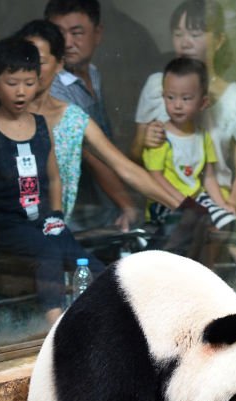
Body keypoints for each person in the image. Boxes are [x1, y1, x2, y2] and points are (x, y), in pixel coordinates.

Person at [0, 37, 101, 318]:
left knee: (83, 259)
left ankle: (113, 310)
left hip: (45, 220)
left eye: (29, 82)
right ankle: (55, 320)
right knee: (48, 252)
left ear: (39, 80)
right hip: (8, 224)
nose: (21, 92)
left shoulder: (41, 125)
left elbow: (54, 176)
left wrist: (57, 214)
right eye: (12, 84)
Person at [13, 19, 184, 223]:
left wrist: (186, 211)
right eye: (24, 59)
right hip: (8, 232)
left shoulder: (73, 118)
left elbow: (125, 168)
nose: (30, 68)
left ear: (59, 63)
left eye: (38, 61)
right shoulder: (2, 114)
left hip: (52, 233)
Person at [132, 0, 236, 215]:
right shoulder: (155, 85)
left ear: (219, 41)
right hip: (168, 198)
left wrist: (230, 206)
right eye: (178, 34)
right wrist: (144, 141)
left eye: (195, 35)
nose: (185, 43)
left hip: (216, 199)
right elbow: (134, 155)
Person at [44, 0, 141, 230]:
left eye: (77, 33)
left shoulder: (94, 73)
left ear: (97, 34)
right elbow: (93, 155)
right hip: (74, 215)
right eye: (59, 34)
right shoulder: (53, 87)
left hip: (104, 209)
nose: (67, 43)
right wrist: (127, 203)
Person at [142, 57, 236, 230]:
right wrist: (181, 201)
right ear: (163, 97)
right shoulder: (158, 135)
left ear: (203, 102)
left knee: (225, 222)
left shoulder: (203, 136)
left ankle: (204, 257)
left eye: (186, 99)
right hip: (164, 200)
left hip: (196, 197)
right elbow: (154, 176)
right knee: (190, 225)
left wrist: (222, 204)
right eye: (170, 97)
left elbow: (208, 177)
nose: (177, 105)